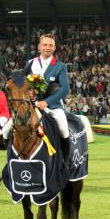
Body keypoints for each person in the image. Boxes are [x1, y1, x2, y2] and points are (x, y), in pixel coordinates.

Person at [23, 33, 71, 161]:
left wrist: (46, 102)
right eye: (45, 45)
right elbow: (22, 84)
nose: (47, 47)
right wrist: (29, 94)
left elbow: (65, 89)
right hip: (31, 105)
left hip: (53, 106)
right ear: (39, 47)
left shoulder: (60, 66)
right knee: (14, 124)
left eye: (51, 45)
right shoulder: (30, 63)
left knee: (63, 128)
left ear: (54, 48)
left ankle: (66, 161)